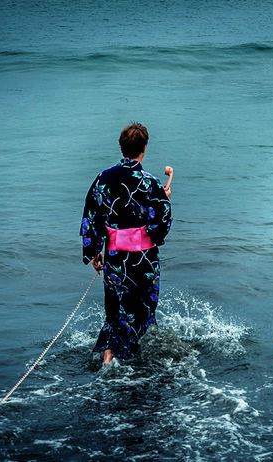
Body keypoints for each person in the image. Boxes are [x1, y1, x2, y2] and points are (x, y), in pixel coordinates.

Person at [80, 123, 172, 364]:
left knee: (115, 306)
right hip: (144, 259)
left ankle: (109, 354)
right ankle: (126, 355)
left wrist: (94, 251)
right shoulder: (150, 182)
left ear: (122, 148)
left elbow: (92, 215)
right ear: (144, 148)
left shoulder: (103, 178)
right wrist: (164, 198)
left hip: (114, 256)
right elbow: (162, 222)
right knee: (142, 307)